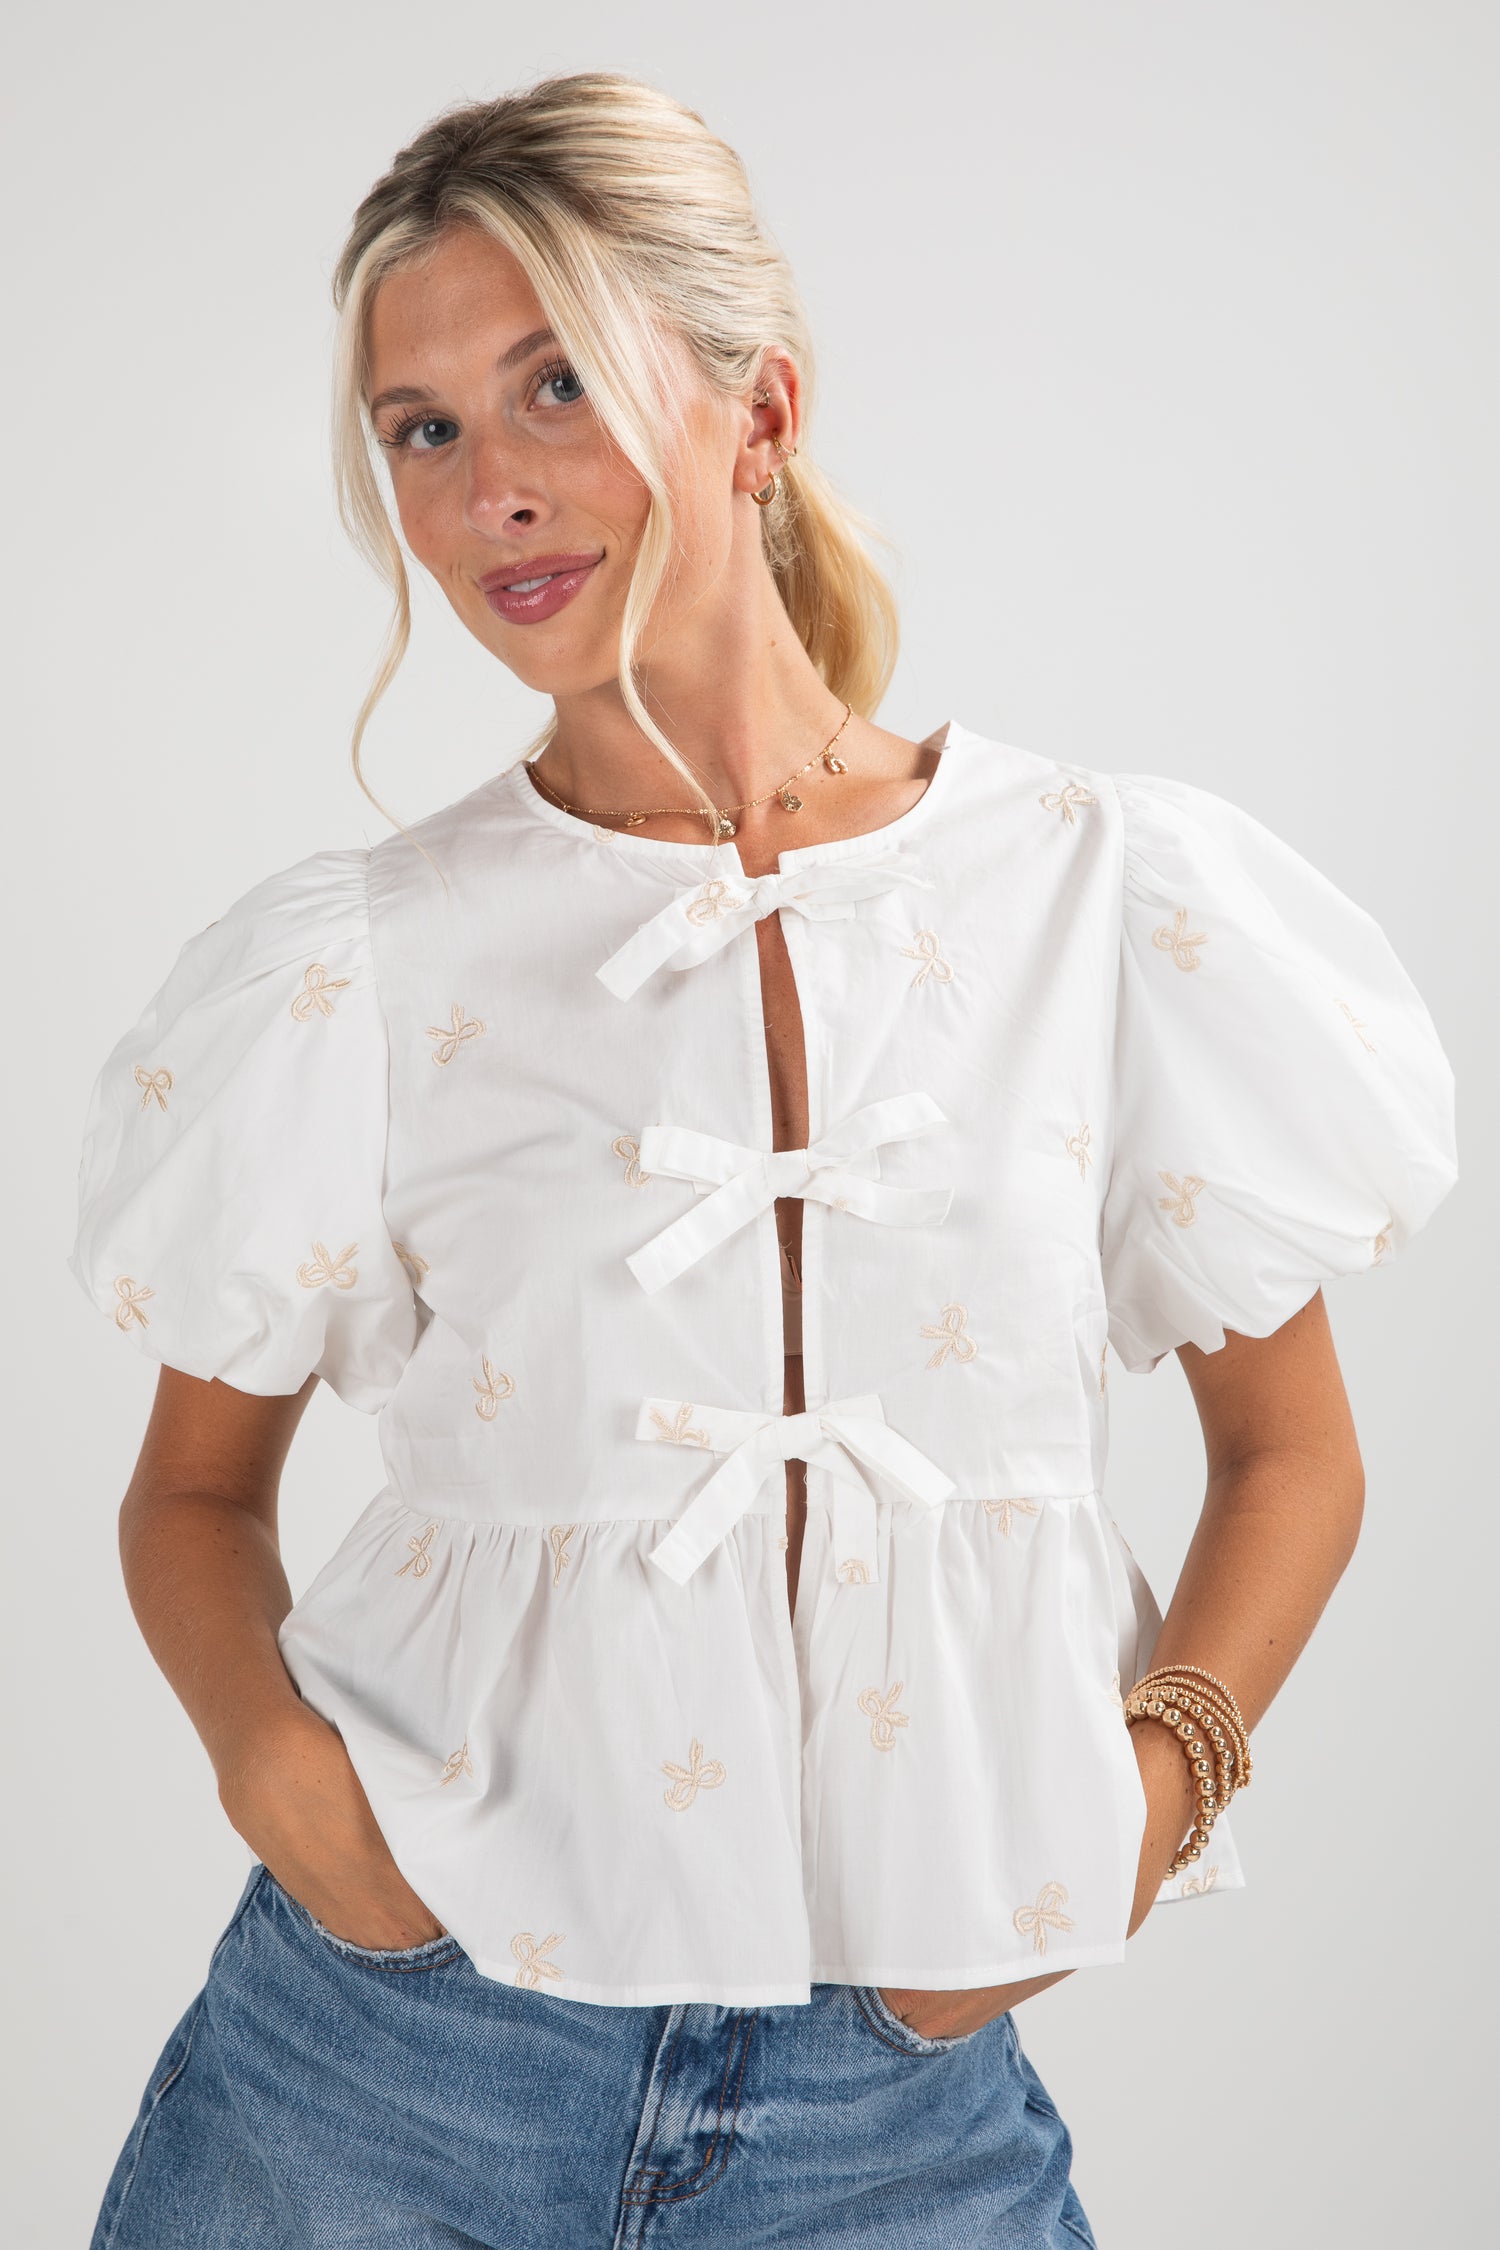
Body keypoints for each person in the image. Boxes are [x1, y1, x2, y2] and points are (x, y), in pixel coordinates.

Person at [67, 71, 1458, 2250]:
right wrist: (289, 1785)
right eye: (421, 429)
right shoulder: (364, 962)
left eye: (555, 383)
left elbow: (1294, 1454)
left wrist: (1157, 1787)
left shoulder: (1105, 899)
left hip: (894, 2111)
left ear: (758, 407)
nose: (490, 488)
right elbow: (192, 1494)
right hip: (385, 2059)